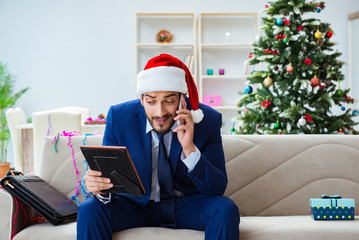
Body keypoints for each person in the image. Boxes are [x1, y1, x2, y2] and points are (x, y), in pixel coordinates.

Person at [77, 54, 240, 240]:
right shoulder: (119, 117)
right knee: (90, 210)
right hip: (136, 207)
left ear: (182, 99)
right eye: (151, 101)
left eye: (169, 101)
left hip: (185, 206)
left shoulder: (207, 120)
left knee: (225, 209)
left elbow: (217, 188)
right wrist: (97, 186)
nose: (160, 112)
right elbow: (107, 177)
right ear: (141, 99)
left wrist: (189, 148)